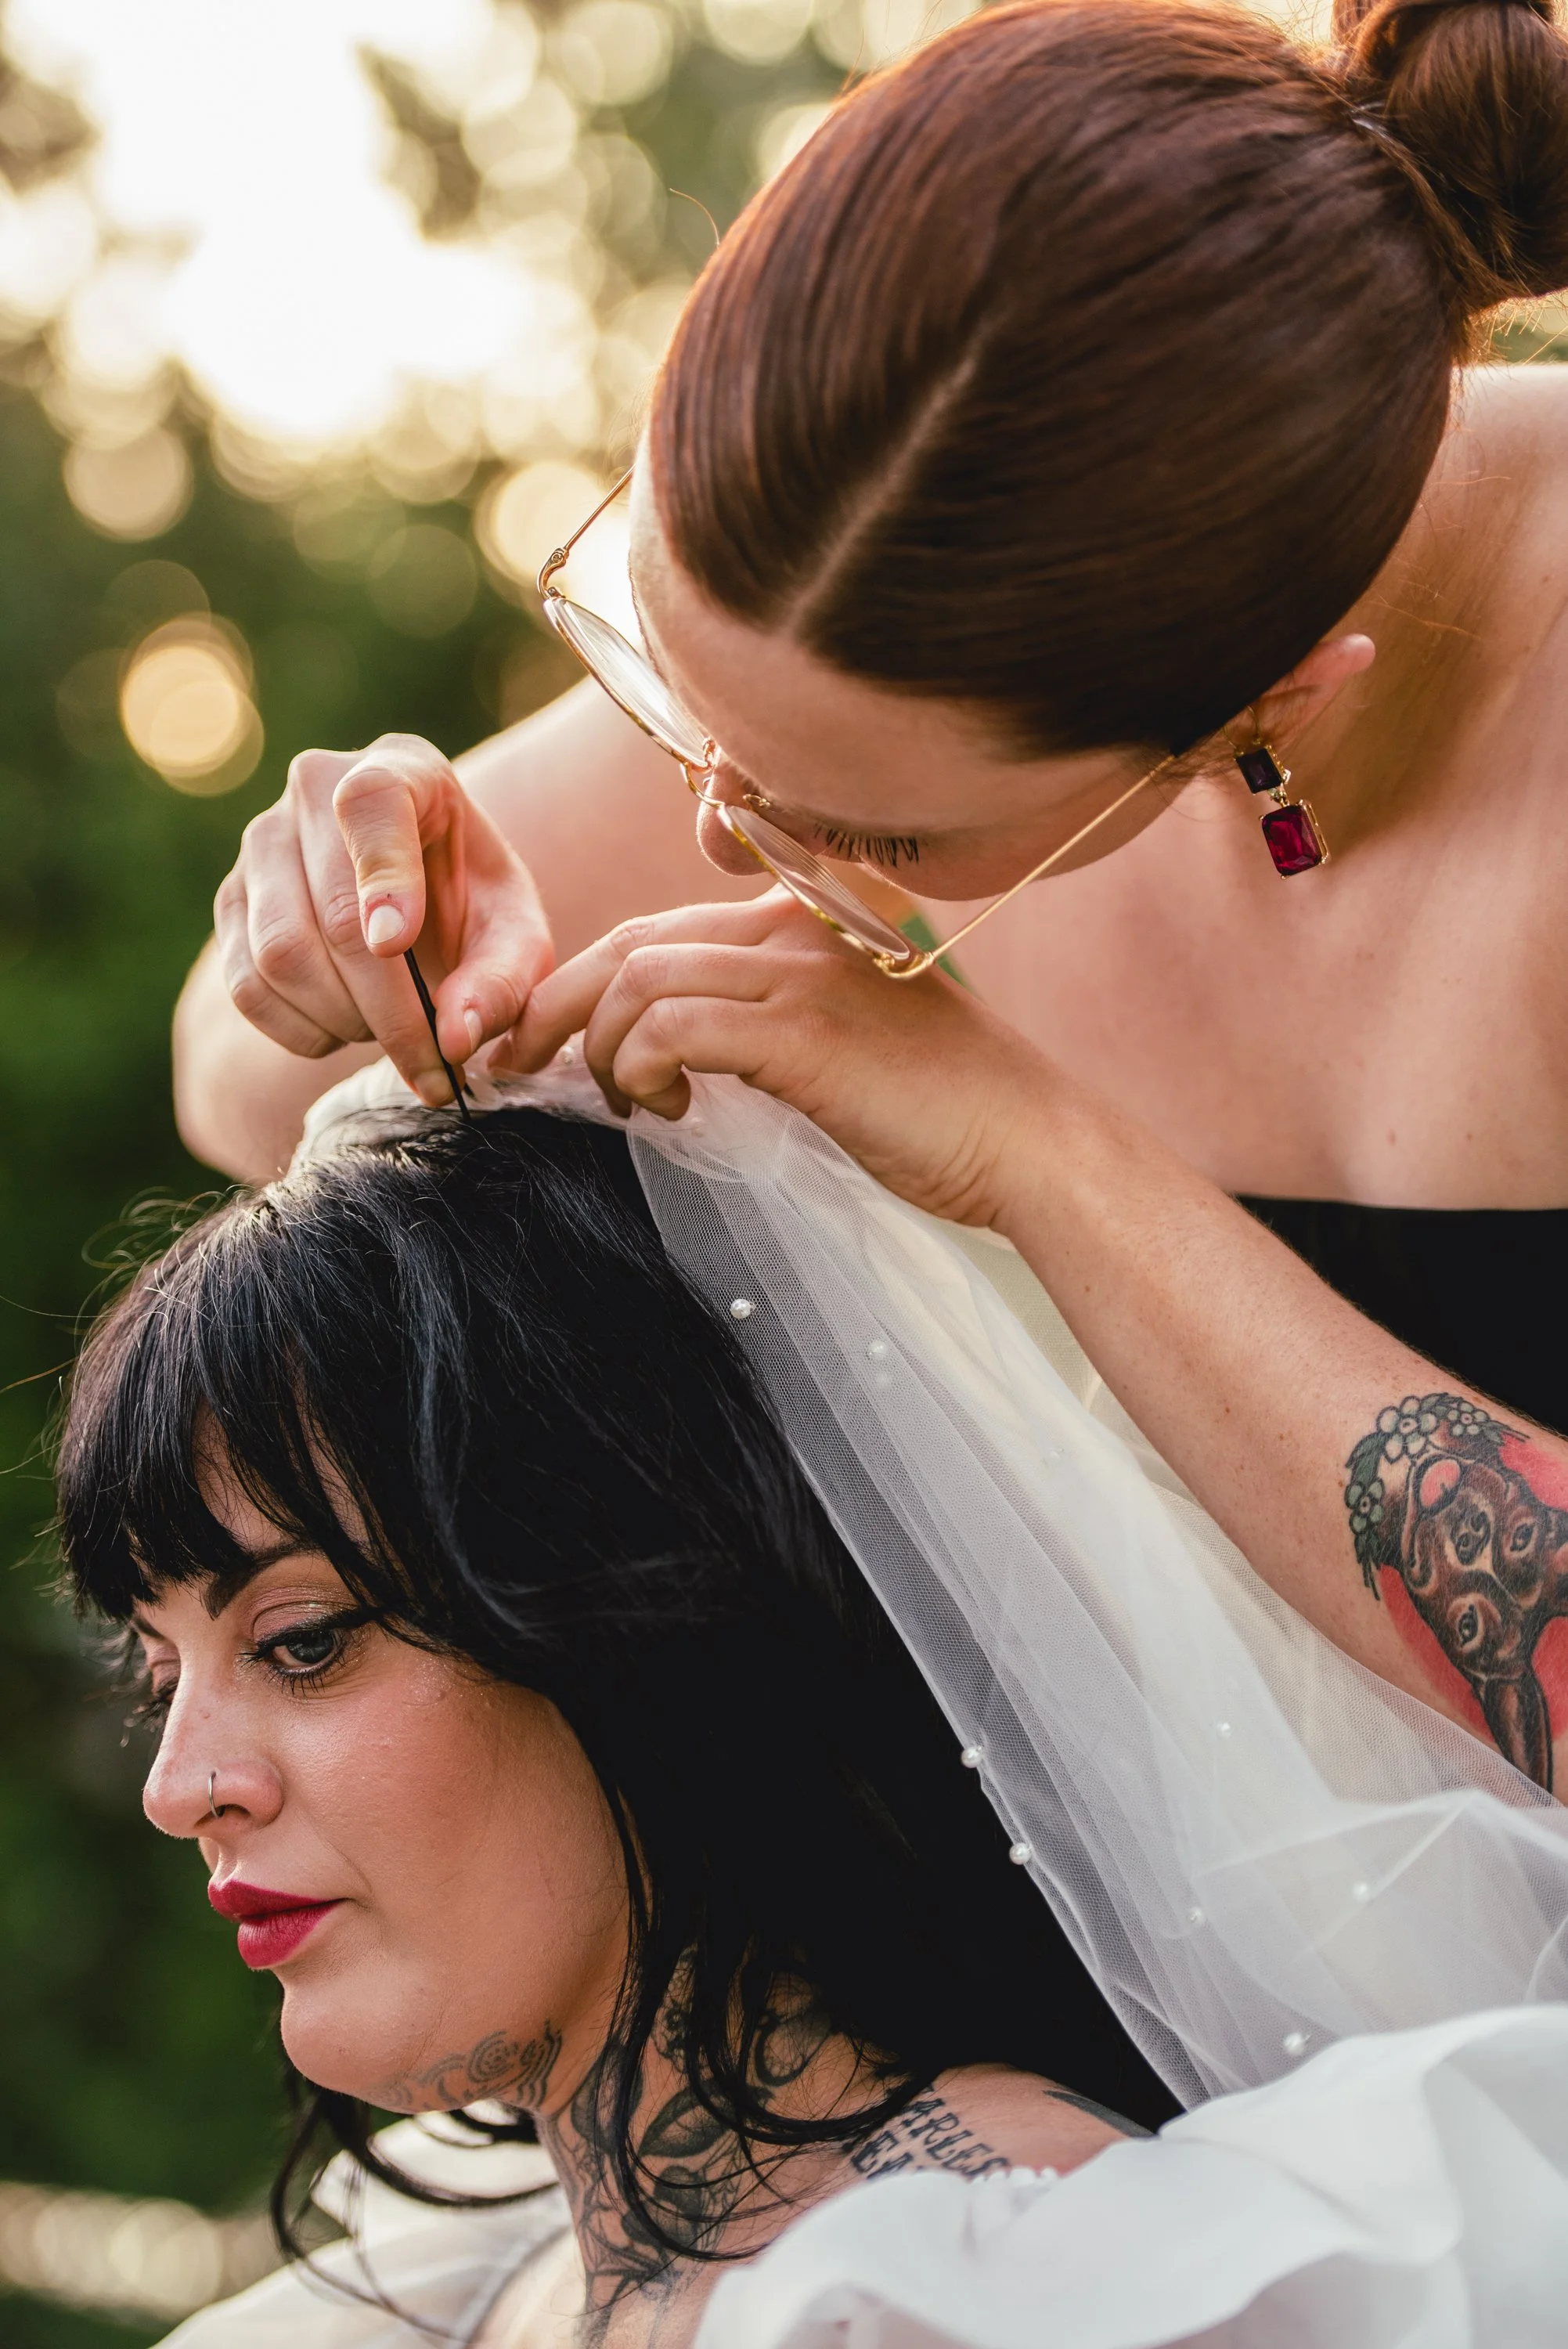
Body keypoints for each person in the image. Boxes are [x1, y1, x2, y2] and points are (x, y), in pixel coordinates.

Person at [173, 0, 1568, 1795]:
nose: (719, 831)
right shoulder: (855, 588)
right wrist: (348, 916)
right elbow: (240, 1091)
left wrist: (1038, 1157)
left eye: (878, 843)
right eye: (666, 681)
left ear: (1266, 705)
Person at [55, 1067, 1568, 2348]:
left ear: (627, 1612)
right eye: (159, 1676)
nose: (181, 1788)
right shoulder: (428, 2294)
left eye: (303, 1642)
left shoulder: (1015, 2293)